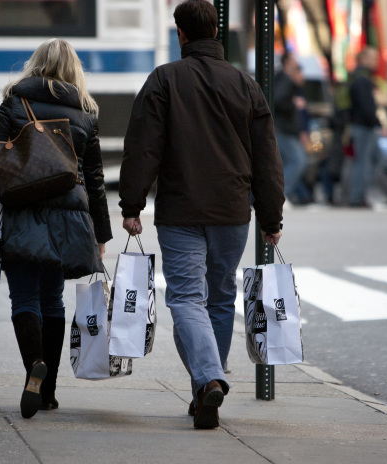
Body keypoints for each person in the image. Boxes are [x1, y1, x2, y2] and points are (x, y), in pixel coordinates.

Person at [118, 0, 284, 430]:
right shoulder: (245, 84)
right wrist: (271, 217)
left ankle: (209, 379)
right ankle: (206, 388)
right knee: (220, 295)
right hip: (232, 212)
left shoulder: (164, 80)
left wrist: (132, 204)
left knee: (187, 298)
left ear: (182, 34)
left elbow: (143, 148)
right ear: (217, 32)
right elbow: (267, 157)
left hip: (181, 209)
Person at [0, 39, 113, 419]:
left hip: (22, 210)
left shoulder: (14, 101)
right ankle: (49, 391)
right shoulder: (86, 113)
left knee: (24, 299)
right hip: (68, 218)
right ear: (74, 69)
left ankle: (34, 368)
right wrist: (101, 233)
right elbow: (95, 179)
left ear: (35, 64)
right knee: (53, 300)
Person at [348, 46, 387, 207]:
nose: (375, 62)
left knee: (371, 160)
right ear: (364, 59)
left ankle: (359, 195)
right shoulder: (363, 78)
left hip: (362, 125)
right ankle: (357, 197)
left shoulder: (358, 76)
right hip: (364, 126)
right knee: (363, 162)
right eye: (373, 58)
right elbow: (367, 105)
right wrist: (378, 124)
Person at [273, 52, 308, 204]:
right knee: (298, 160)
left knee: (286, 163)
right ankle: (281, 196)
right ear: (287, 62)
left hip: (285, 128)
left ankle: (280, 196)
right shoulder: (284, 80)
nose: (296, 62)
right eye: (294, 59)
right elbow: (278, 100)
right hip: (282, 128)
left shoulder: (286, 80)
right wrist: (293, 103)